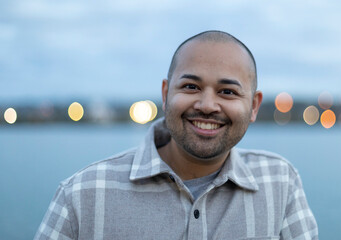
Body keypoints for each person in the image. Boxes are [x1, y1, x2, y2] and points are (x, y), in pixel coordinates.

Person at [35, 30, 318, 240]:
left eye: (227, 92)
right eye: (191, 87)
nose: (207, 105)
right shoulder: (82, 195)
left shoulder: (281, 182)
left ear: (254, 106)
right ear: (165, 94)